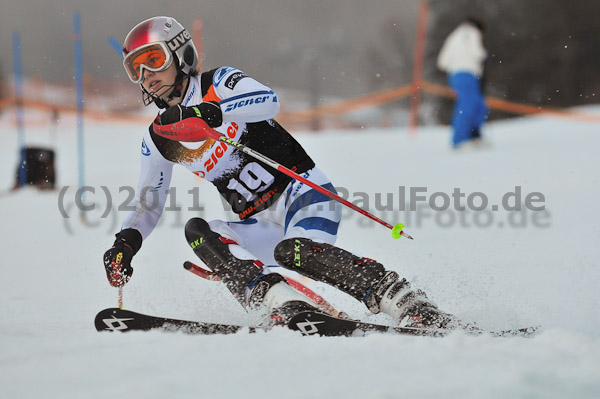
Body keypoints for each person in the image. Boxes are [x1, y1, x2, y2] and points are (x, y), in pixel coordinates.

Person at [103, 16, 453, 328]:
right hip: (261, 222)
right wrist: (125, 244)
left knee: (293, 251)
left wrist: (211, 113)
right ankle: (277, 301)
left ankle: (404, 299)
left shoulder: (219, 82)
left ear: (181, 55)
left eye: (154, 60)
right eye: (136, 69)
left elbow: (268, 100)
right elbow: (149, 203)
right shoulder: (159, 137)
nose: (147, 76)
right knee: (200, 231)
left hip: (304, 195)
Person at [437, 16, 489, 149]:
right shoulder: (472, 33)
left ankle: (474, 137)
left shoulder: (453, 36)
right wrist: (482, 57)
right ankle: (459, 140)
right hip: (468, 74)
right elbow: (479, 53)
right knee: (468, 106)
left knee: (478, 106)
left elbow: (442, 62)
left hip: (456, 75)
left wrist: (455, 66)